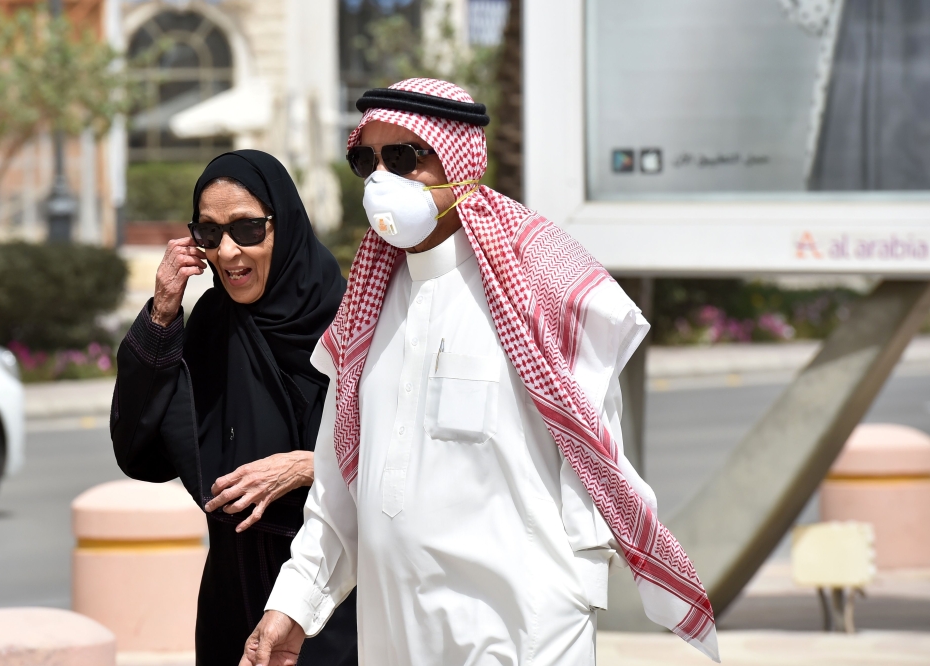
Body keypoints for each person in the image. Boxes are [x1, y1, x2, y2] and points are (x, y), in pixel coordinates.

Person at [244, 80, 718, 666]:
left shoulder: (537, 292)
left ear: (460, 162)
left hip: (518, 630)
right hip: (395, 630)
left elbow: (594, 466)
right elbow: (342, 483)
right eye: (367, 160)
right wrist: (292, 604)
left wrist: (572, 600)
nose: (380, 179)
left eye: (404, 158)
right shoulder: (368, 308)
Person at [111, 150, 357, 666]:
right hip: (232, 590)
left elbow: (406, 453)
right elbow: (141, 450)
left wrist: (308, 466)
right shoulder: (212, 323)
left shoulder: (349, 323)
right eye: (208, 232)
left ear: (282, 224)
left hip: (332, 592)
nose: (227, 252)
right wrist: (162, 312)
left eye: (247, 229)